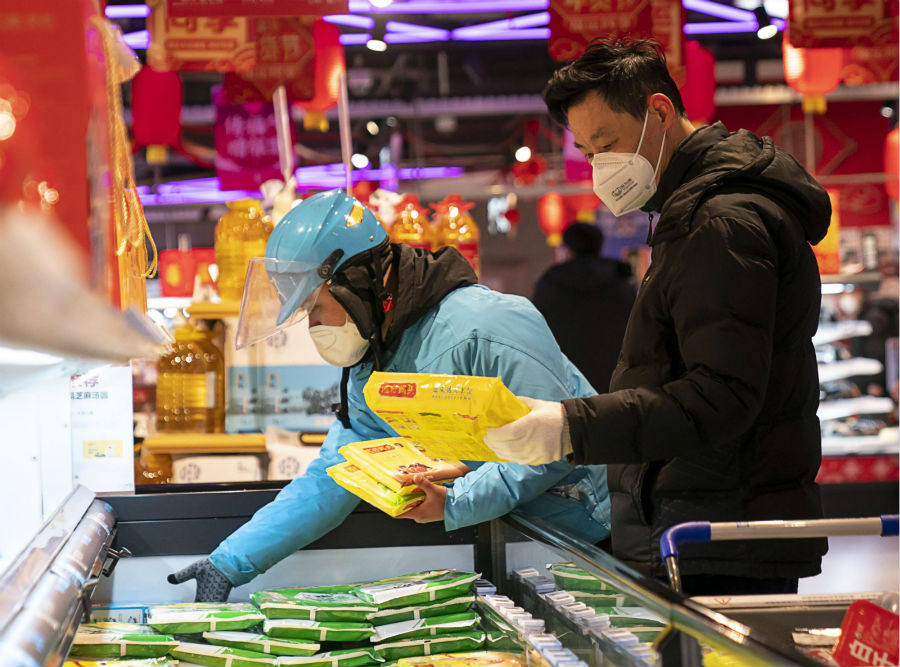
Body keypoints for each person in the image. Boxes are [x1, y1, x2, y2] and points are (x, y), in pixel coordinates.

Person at [485, 39, 831, 596]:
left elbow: (722, 395)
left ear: (660, 112)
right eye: (588, 153)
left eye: (607, 145)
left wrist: (571, 426)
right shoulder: (690, 215)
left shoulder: (720, 222)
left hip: (717, 531)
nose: (601, 167)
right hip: (706, 521)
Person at [168, 189, 610, 602]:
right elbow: (336, 474)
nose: (315, 326)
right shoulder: (372, 360)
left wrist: (457, 502)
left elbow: (553, 449)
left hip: (585, 545)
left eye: (316, 307)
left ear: (359, 282)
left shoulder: (490, 325)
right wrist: (230, 562)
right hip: (504, 545)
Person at [532, 222, 636, 393]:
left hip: (566, 380)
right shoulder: (621, 283)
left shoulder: (551, 283)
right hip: (614, 381)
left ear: (567, 249)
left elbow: (537, 331)